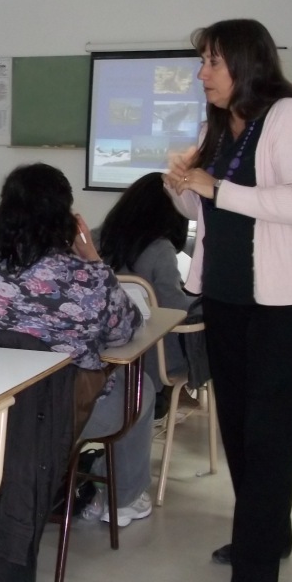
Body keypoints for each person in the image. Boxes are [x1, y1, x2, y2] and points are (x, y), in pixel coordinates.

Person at [165, 19, 292, 582]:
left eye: (212, 61)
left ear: (245, 61)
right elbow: (202, 207)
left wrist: (214, 188)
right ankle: (268, 531)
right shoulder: (220, 126)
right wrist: (181, 184)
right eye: (202, 62)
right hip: (229, 295)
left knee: (270, 435)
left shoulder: (291, 116)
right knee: (236, 427)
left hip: (288, 305)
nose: (201, 73)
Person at [0, 162, 151, 526]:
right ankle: (124, 500)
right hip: (57, 413)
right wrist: (94, 258)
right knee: (142, 388)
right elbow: (125, 331)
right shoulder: (87, 277)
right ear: (67, 219)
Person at [96, 171, 192, 421]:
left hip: (102, 351)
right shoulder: (160, 249)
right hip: (154, 359)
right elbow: (176, 310)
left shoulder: (96, 239)